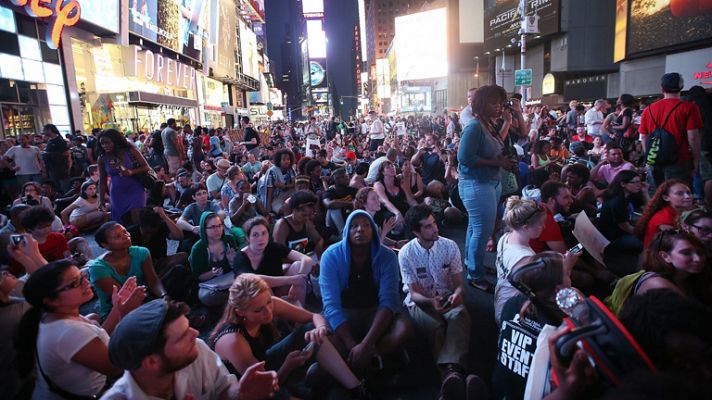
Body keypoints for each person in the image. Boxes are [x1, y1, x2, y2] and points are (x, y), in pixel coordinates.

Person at [209, 274, 372, 398]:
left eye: (268, 302)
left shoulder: (267, 304)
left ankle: (357, 388)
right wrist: (288, 366)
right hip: (247, 390)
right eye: (258, 310)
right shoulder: (233, 340)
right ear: (240, 312)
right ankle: (311, 378)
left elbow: (313, 317)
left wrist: (320, 329)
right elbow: (262, 388)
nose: (268, 311)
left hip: (268, 362)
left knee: (311, 331)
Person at [15, 260, 145, 399]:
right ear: (51, 300)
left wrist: (118, 309)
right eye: (75, 283)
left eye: (82, 276)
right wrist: (126, 315)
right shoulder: (69, 332)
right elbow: (116, 367)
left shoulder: (55, 315)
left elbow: (97, 339)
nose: (86, 282)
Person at [103, 299, 279, 400]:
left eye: (189, 327)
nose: (195, 334)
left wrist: (240, 394)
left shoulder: (197, 349)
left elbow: (223, 388)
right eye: (182, 336)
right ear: (151, 361)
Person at [319, 211, 413, 373]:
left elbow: (389, 301)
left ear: (374, 231)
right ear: (346, 231)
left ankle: (358, 359)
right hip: (344, 314)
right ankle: (372, 359)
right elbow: (331, 305)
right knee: (319, 335)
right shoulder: (330, 256)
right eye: (354, 226)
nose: (360, 229)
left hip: (375, 313)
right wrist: (352, 345)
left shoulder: (387, 256)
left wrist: (366, 344)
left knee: (404, 327)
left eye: (366, 225)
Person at [398, 205, 472, 399]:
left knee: (459, 315)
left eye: (434, 223)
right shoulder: (406, 253)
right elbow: (413, 293)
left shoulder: (450, 246)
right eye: (428, 227)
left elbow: (458, 285)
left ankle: (450, 370)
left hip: (445, 295)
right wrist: (431, 302)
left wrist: (457, 294)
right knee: (436, 327)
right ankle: (449, 379)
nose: (435, 228)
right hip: (421, 302)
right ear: (416, 232)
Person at [458, 85, 516, 292]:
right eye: (494, 103)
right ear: (482, 104)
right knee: (482, 230)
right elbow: (464, 158)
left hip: (488, 182)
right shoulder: (474, 127)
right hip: (475, 183)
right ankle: (475, 274)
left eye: (500, 102)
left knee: (475, 228)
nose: (499, 107)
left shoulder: (489, 125)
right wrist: (497, 163)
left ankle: (472, 264)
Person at [492, 252, 570, 400]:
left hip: (499, 388)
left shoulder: (511, 305)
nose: (570, 275)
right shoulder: (561, 326)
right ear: (558, 290)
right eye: (568, 273)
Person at [89, 221, 167, 319]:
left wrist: (164, 296)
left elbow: (153, 280)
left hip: (144, 298)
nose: (126, 236)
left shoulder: (142, 252)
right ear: (105, 245)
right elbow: (123, 298)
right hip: (117, 311)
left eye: (125, 232)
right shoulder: (98, 268)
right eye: (118, 236)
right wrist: (154, 309)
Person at [639, 72, 704, 187]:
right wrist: (696, 160)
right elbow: (693, 137)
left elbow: (643, 137)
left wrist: (650, 158)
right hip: (680, 160)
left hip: (654, 160)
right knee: (678, 194)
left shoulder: (648, 110)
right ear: (681, 87)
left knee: (657, 195)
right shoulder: (689, 108)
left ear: (662, 88)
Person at [233, 217, 314, 306]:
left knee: (298, 266)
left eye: (264, 233)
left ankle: (299, 313)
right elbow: (253, 280)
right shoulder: (240, 257)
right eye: (255, 235)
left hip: (280, 289)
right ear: (248, 238)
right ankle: (276, 317)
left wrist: (298, 279)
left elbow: (307, 259)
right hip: (256, 298)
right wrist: (292, 280)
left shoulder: (273, 247)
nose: (261, 238)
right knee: (262, 286)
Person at [493, 197, 546, 323]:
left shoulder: (505, 237)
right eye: (540, 224)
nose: (544, 227)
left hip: (501, 301)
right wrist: (566, 267)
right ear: (526, 227)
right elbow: (541, 290)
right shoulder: (526, 258)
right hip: (510, 314)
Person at [97, 129, 150, 226]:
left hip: (135, 188)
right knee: (121, 221)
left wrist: (131, 171)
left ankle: (141, 239)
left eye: (107, 143)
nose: (105, 146)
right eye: (102, 144)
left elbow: (146, 167)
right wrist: (101, 199)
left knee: (138, 219)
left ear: (115, 141)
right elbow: (102, 180)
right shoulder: (102, 158)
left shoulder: (130, 151)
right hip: (117, 192)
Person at [598, 170, 647, 274]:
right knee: (647, 243)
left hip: (625, 229)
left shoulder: (629, 195)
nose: (639, 185)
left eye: (640, 181)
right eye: (635, 182)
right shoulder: (617, 201)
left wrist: (645, 192)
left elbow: (649, 208)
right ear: (623, 184)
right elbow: (625, 227)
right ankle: (639, 273)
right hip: (614, 237)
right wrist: (645, 235)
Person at [188, 212, 239, 306]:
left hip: (229, 279)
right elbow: (198, 276)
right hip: (210, 285)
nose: (218, 230)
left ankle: (233, 300)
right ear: (204, 229)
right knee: (206, 296)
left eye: (220, 226)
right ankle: (235, 300)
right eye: (213, 227)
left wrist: (232, 261)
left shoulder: (229, 240)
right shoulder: (198, 248)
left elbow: (238, 267)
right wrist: (212, 273)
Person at [634, 179, 694, 246]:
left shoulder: (679, 211)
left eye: (688, 192)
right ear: (666, 198)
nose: (687, 196)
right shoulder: (664, 220)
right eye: (679, 193)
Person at [127, 206, 185, 275]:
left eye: (152, 233)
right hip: (139, 266)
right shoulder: (130, 233)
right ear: (140, 226)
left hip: (159, 263)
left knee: (183, 256)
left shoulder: (161, 226)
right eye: (146, 233)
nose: (148, 236)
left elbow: (179, 236)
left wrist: (165, 217)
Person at [273, 190, 325, 256]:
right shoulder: (282, 225)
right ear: (294, 210)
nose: (307, 218)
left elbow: (319, 240)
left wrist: (316, 250)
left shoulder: (306, 223)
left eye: (309, 215)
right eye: (304, 215)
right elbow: (279, 254)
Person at [176, 183, 222, 252]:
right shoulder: (191, 207)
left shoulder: (212, 204)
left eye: (204, 193)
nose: (203, 196)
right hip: (199, 233)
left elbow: (222, 213)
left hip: (212, 232)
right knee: (186, 244)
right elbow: (180, 222)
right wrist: (193, 228)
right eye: (199, 194)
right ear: (194, 197)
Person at [259, 149, 296, 214]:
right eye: (284, 159)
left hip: (288, 193)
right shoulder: (272, 172)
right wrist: (269, 209)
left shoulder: (290, 169)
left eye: (288, 159)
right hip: (276, 197)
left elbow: (294, 183)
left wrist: (284, 186)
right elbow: (270, 191)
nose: (287, 161)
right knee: (282, 211)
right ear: (279, 160)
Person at [322, 168, 357, 232]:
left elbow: (358, 202)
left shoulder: (352, 190)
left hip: (348, 219)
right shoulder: (329, 192)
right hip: (332, 225)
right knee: (334, 208)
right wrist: (350, 203)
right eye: (343, 177)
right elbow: (328, 204)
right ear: (336, 179)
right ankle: (343, 233)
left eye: (346, 176)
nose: (347, 178)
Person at [41, 124, 71, 191]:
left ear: (49, 130)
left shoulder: (60, 141)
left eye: (44, 130)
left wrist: (68, 167)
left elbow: (66, 154)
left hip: (61, 169)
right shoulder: (49, 141)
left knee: (64, 188)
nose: (43, 132)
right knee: (56, 187)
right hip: (52, 169)